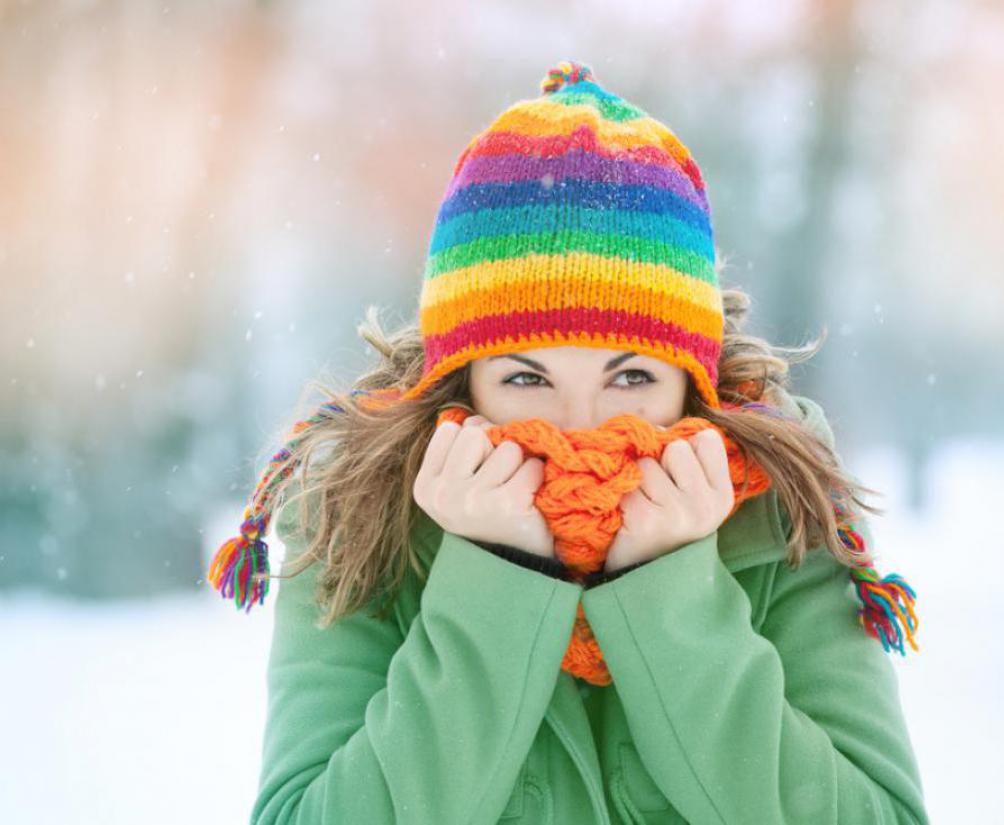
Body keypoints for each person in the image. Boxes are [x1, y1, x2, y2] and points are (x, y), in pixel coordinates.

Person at [211, 60, 927, 824]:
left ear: (692, 383)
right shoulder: (357, 517)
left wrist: (671, 597)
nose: (579, 427)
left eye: (631, 378)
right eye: (526, 378)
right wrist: (495, 579)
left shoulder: (784, 507)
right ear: (462, 382)